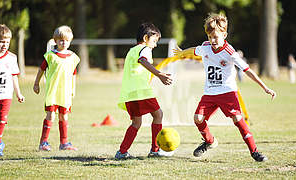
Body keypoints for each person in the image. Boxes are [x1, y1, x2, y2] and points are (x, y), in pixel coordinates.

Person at [174, 13, 276, 162]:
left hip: (228, 92)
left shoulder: (230, 53)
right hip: (209, 93)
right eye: (210, 37)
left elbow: (247, 71)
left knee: (237, 119)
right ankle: (209, 141)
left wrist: (265, 87)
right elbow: (194, 49)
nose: (212, 40)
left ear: (224, 35)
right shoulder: (205, 47)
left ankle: (255, 152)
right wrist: (183, 52)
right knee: (198, 118)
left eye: (216, 37)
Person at [115, 22, 173, 160]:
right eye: (154, 41)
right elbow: (143, 60)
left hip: (130, 93)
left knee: (136, 123)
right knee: (158, 115)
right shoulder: (145, 49)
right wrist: (159, 74)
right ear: (146, 38)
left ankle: (122, 152)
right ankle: (155, 149)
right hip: (141, 92)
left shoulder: (131, 50)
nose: (155, 45)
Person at [33, 25, 80, 151]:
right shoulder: (50, 56)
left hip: (65, 93)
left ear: (70, 41)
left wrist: (73, 89)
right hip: (52, 92)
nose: (63, 42)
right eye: (61, 40)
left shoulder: (72, 57)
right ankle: (43, 143)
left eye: (66, 40)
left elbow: (73, 74)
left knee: (64, 117)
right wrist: (36, 83)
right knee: (50, 116)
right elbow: (41, 70)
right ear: (55, 41)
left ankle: (64, 143)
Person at [0, 24, 25, 156]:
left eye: (7, 42)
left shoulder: (12, 58)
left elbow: (14, 77)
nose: (4, 45)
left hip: (6, 95)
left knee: (1, 120)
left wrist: (19, 93)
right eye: (2, 41)